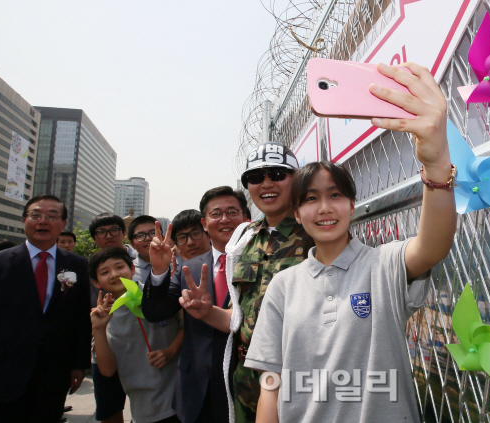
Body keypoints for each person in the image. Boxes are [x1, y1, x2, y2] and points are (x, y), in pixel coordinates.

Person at [243, 63, 457, 422]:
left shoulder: (383, 265)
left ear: (352, 205)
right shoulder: (283, 286)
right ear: (297, 213)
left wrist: (437, 167)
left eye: (335, 195)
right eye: (310, 199)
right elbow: (271, 381)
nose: (324, 208)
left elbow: (432, 246)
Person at [179, 141, 308, 423]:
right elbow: (241, 318)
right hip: (245, 380)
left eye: (276, 174)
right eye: (255, 177)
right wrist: (207, 312)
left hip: (297, 380)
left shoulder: (314, 233)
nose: (265, 184)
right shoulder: (244, 238)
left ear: (296, 179)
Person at [141, 187, 248, 423]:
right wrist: (158, 270)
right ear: (205, 222)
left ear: (246, 219)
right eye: (216, 213)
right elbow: (155, 312)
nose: (225, 219)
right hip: (196, 390)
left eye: (232, 212)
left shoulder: (263, 264)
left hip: (246, 385)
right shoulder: (191, 268)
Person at [0, 194, 91, 422]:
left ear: (63, 224)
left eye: (52, 216)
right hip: (4, 368)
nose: (43, 221)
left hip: (54, 370)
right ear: (24, 220)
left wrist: (79, 364)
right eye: (36, 215)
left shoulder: (76, 265)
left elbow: (80, 317)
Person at [89, 247, 183, 423]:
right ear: (96, 282)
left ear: (132, 269)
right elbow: (107, 371)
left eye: (119, 267)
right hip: (144, 407)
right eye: (105, 272)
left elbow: (187, 327)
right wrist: (99, 330)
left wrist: (170, 351)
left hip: (179, 397)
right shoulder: (102, 316)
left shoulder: (159, 295)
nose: (114, 274)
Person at [88, 212, 133, 423]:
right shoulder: (88, 270)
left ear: (123, 233)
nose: (108, 235)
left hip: (141, 350)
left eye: (114, 230)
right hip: (104, 350)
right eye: (101, 232)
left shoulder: (145, 260)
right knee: (110, 410)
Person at [127, 215, 160, 284]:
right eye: (140, 236)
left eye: (153, 233)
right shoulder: (128, 271)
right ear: (132, 244)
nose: (148, 238)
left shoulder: (176, 266)